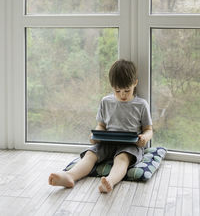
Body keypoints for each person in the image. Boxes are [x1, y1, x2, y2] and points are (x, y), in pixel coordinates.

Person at [48, 59, 153, 193]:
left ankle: (110, 181)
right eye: (117, 90)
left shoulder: (141, 105)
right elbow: (101, 125)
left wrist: (144, 137)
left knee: (122, 159)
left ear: (135, 83)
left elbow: (148, 130)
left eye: (127, 90)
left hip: (130, 145)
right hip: (107, 142)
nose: (122, 95)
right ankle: (70, 176)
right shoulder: (106, 101)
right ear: (112, 87)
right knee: (91, 154)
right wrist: (96, 135)